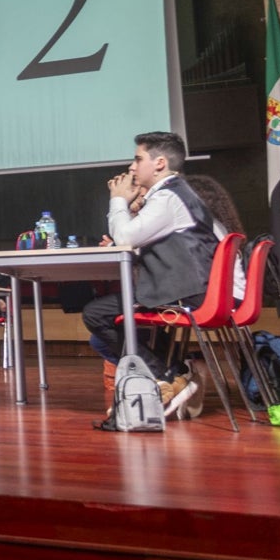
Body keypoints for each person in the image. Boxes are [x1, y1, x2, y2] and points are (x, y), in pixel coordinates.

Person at [81, 131, 218, 418]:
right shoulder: (176, 193)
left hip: (187, 291)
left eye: (137, 159)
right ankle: (175, 374)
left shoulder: (168, 197)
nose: (132, 167)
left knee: (96, 314)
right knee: (117, 314)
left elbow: (125, 237)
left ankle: (169, 376)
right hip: (194, 286)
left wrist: (118, 201)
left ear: (159, 163)